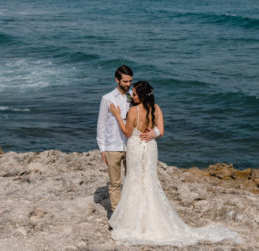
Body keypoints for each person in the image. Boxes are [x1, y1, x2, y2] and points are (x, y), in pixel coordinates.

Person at [107, 81, 241, 246]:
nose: (132, 97)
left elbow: (128, 132)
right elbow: (161, 131)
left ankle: (132, 221)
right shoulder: (157, 109)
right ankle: (153, 219)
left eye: (134, 94)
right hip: (150, 147)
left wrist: (117, 115)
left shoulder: (134, 111)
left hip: (135, 146)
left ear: (141, 96)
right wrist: (153, 134)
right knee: (149, 180)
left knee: (134, 179)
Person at [96, 65, 158, 211]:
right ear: (117, 80)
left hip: (132, 146)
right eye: (125, 81)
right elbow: (101, 125)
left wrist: (154, 132)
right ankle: (116, 215)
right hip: (113, 146)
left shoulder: (134, 96)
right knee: (115, 183)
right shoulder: (107, 99)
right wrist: (102, 149)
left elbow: (150, 112)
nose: (128, 84)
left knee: (134, 180)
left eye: (130, 81)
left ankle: (133, 211)